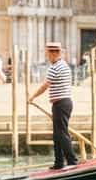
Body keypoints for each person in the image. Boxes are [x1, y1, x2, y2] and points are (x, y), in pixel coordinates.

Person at [29, 41, 77, 169]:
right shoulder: (64, 65)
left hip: (61, 104)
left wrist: (32, 97)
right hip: (62, 103)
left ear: (53, 53)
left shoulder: (55, 67)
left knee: (61, 133)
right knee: (57, 134)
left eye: (47, 53)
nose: (47, 56)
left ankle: (72, 161)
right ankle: (59, 162)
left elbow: (45, 86)